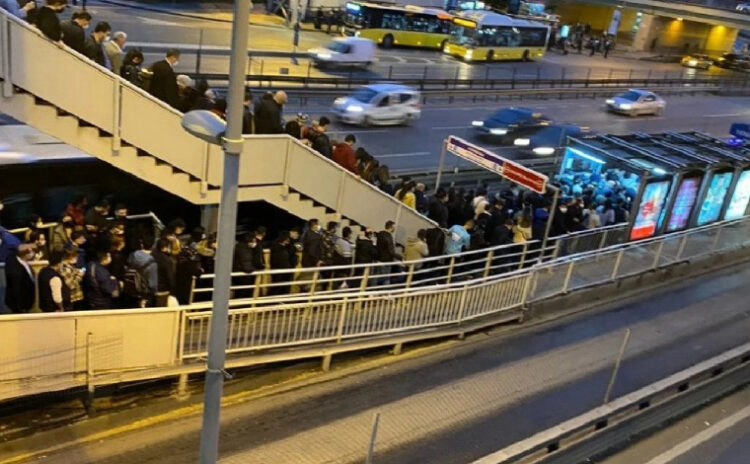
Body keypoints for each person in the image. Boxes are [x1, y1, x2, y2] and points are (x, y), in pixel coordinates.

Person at [4, 244, 36, 313]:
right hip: (20, 305)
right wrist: (21, 307)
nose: (33, 254)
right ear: (26, 254)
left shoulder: (14, 258)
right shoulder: (16, 271)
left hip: (26, 303)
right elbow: (16, 289)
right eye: (31, 252)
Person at [126, 236, 158, 306]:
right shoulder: (152, 263)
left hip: (130, 292)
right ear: (153, 246)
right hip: (144, 295)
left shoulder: (131, 256)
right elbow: (152, 284)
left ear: (142, 244)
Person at [269, 231, 293, 295]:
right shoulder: (278, 249)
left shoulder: (284, 248)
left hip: (281, 271)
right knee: (278, 288)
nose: (289, 239)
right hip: (280, 272)